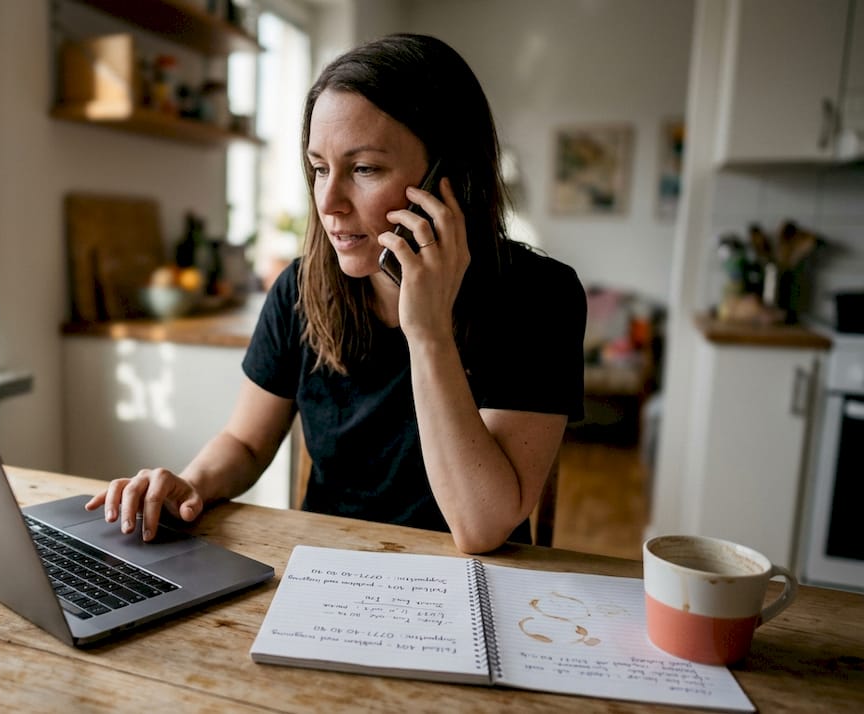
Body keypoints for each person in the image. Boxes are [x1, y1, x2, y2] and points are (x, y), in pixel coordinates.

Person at [86, 34, 585, 554]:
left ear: (448, 179)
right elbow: (246, 441)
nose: (329, 202)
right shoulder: (300, 289)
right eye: (320, 168)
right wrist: (193, 482)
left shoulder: (540, 297)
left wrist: (429, 331)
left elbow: (482, 527)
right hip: (324, 570)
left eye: (364, 169)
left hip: (470, 588)